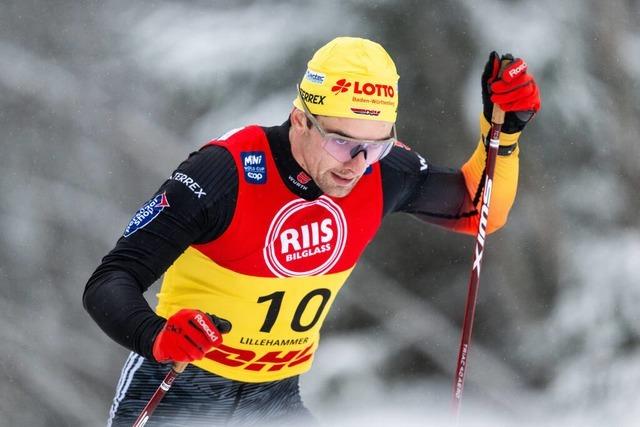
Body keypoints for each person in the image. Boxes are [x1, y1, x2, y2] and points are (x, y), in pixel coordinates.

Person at [83, 36, 540, 426]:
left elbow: (478, 210)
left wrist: (505, 132)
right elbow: (110, 281)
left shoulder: (380, 172)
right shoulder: (226, 173)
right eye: (341, 142)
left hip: (275, 397)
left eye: (376, 146)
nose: (357, 165)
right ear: (300, 119)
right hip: (183, 389)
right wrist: (156, 334)